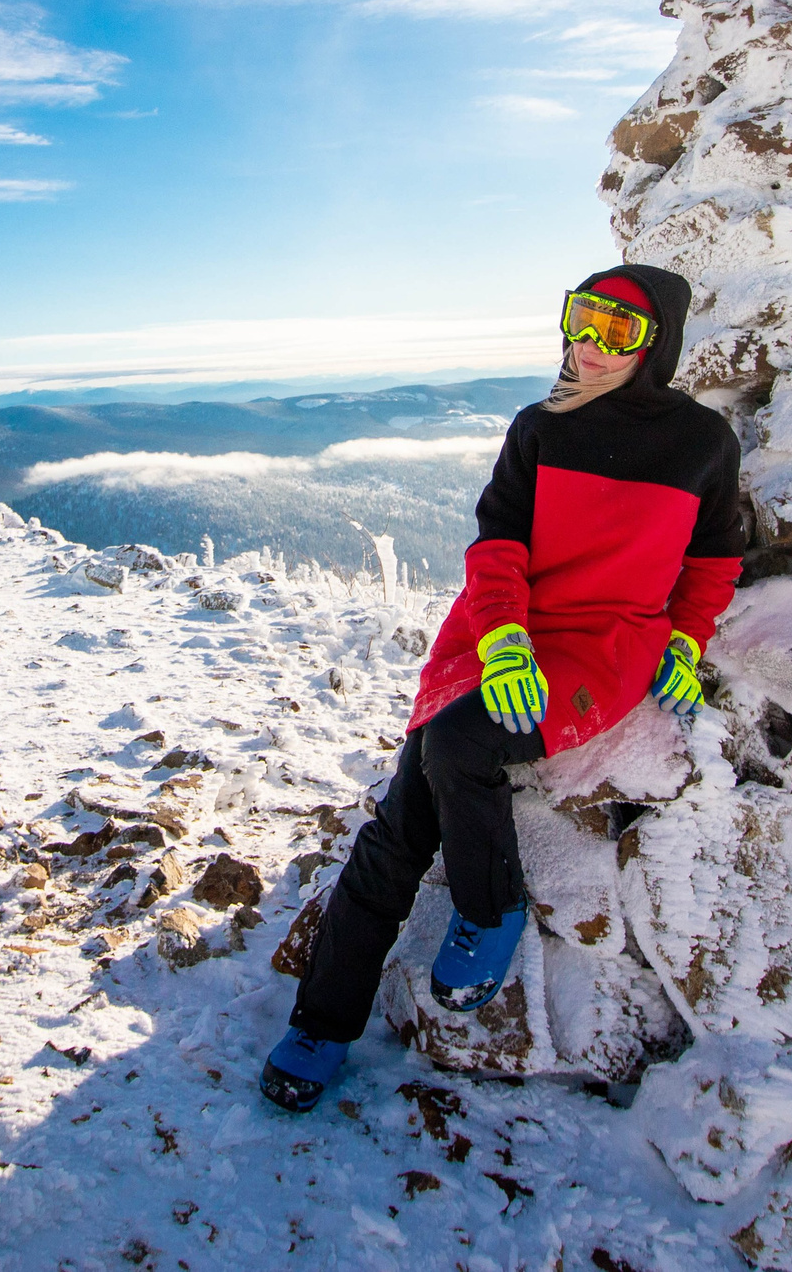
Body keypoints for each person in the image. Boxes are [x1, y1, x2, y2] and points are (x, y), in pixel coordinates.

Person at [260, 265, 743, 1112]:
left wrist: (686, 639)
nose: (589, 345)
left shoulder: (703, 442)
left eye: (617, 330)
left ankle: (491, 908)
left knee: (459, 742)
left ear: (655, 343)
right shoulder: (540, 428)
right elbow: (497, 547)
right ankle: (322, 1022)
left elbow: (712, 559)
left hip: (603, 648)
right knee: (401, 822)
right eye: (581, 319)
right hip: (506, 632)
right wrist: (504, 639)